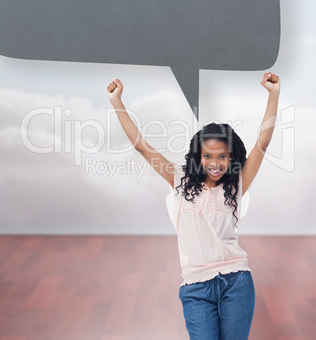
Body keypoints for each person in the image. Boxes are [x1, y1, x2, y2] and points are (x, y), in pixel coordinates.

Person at [106, 72, 280, 340]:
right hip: (196, 288)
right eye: (208, 155)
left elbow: (263, 144)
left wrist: (273, 94)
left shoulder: (237, 185)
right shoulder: (179, 181)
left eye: (222, 156)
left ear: (231, 157)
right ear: (197, 156)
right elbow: (142, 147)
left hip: (237, 283)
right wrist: (116, 101)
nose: (215, 162)